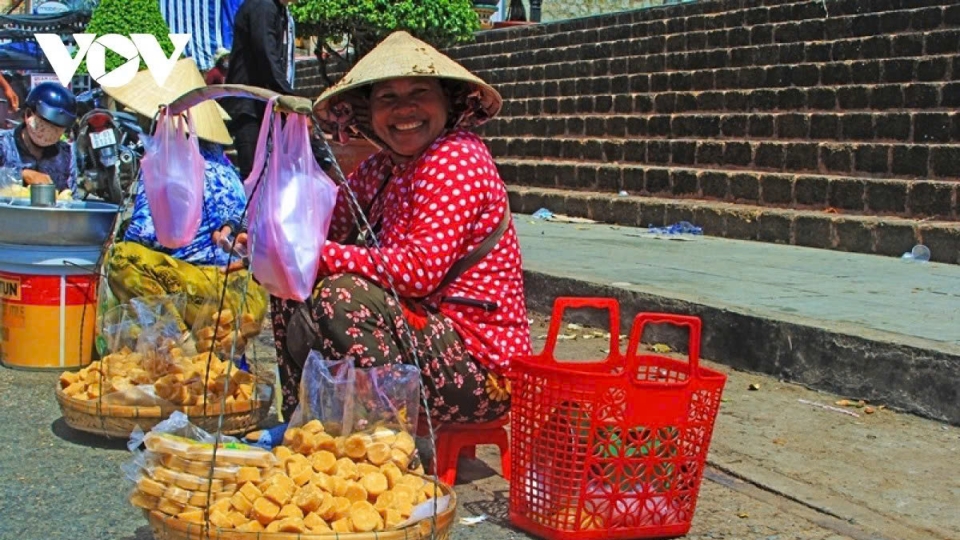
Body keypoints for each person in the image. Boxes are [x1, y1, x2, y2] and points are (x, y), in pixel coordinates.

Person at [264, 31, 532, 424]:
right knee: (289, 282)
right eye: (388, 98)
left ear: (447, 102)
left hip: (481, 366)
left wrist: (312, 254)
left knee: (343, 297)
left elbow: (418, 272)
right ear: (369, 112)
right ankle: (306, 425)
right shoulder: (383, 167)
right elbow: (325, 222)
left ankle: (384, 444)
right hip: (423, 335)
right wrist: (271, 240)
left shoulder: (457, 158)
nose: (405, 110)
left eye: (419, 93)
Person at [101, 59, 268, 338]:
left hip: (207, 290)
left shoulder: (170, 165)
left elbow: (144, 237)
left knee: (121, 258)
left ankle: (177, 343)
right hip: (246, 292)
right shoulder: (223, 163)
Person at [223, 0, 295, 180]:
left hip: (264, 105)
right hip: (249, 105)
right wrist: (289, 96)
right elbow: (266, 54)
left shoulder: (280, 11)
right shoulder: (263, 6)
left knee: (271, 172)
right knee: (254, 174)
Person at [0, 81, 76, 189]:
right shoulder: (3, 144)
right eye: (46, 123)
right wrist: (21, 175)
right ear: (28, 115)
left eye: (58, 127)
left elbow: (72, 198)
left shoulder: (66, 155)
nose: (50, 131)